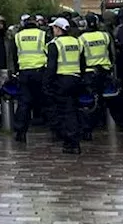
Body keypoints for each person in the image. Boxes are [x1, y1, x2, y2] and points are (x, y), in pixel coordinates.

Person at [80, 13, 123, 140]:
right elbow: (112, 55)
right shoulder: (105, 35)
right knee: (114, 103)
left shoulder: (81, 38)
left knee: (92, 105)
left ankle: (87, 132)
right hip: (106, 73)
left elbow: (81, 58)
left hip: (90, 74)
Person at [45, 18, 85, 154]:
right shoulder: (76, 41)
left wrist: (47, 84)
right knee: (74, 110)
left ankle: (71, 142)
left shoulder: (54, 44)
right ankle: (75, 139)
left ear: (57, 29)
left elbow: (51, 66)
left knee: (66, 112)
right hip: (76, 78)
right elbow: (83, 62)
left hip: (61, 80)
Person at [12, 15, 47, 143]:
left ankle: (20, 132)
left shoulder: (18, 36)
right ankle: (56, 130)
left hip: (24, 72)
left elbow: (14, 55)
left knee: (23, 103)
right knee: (46, 101)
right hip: (40, 72)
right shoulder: (42, 34)